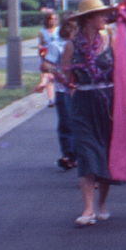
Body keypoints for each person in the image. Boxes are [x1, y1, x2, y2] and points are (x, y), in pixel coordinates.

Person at [62, 0, 119, 226]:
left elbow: (120, 70)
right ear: (89, 19)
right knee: (87, 153)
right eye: (100, 14)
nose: (105, 17)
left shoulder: (110, 39)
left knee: (106, 154)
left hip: (108, 102)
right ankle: (87, 208)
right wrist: (76, 89)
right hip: (84, 103)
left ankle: (102, 204)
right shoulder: (72, 45)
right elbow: (67, 75)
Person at [43, 17, 78, 170]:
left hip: (80, 89)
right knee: (66, 122)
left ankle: (78, 153)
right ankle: (68, 155)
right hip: (64, 89)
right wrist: (56, 72)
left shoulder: (82, 45)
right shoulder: (56, 45)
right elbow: (46, 64)